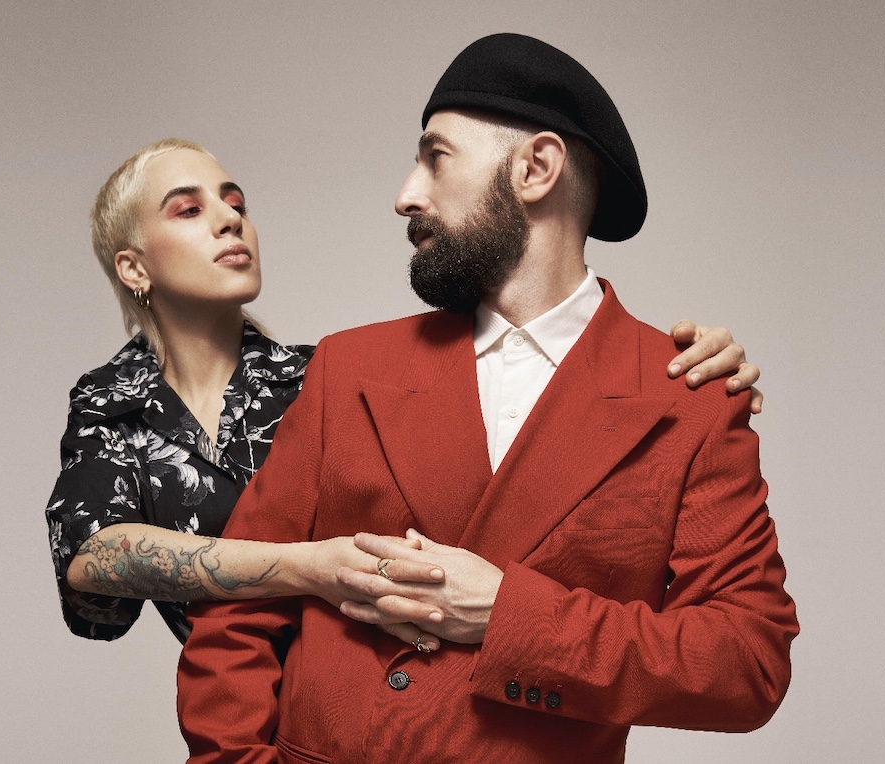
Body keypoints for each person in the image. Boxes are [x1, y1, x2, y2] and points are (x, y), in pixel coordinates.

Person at [175, 34, 797, 763]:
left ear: (535, 168)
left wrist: (509, 615)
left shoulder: (688, 396)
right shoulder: (350, 367)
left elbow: (746, 663)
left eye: (436, 158)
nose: (406, 195)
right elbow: (238, 603)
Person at [45, 137, 760, 649]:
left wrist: (666, 370)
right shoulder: (109, 402)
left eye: (236, 202)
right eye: (188, 210)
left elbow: (516, 348)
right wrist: (310, 567)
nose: (230, 218)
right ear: (133, 267)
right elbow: (91, 557)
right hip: (244, 709)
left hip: (401, 700)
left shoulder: (330, 375)